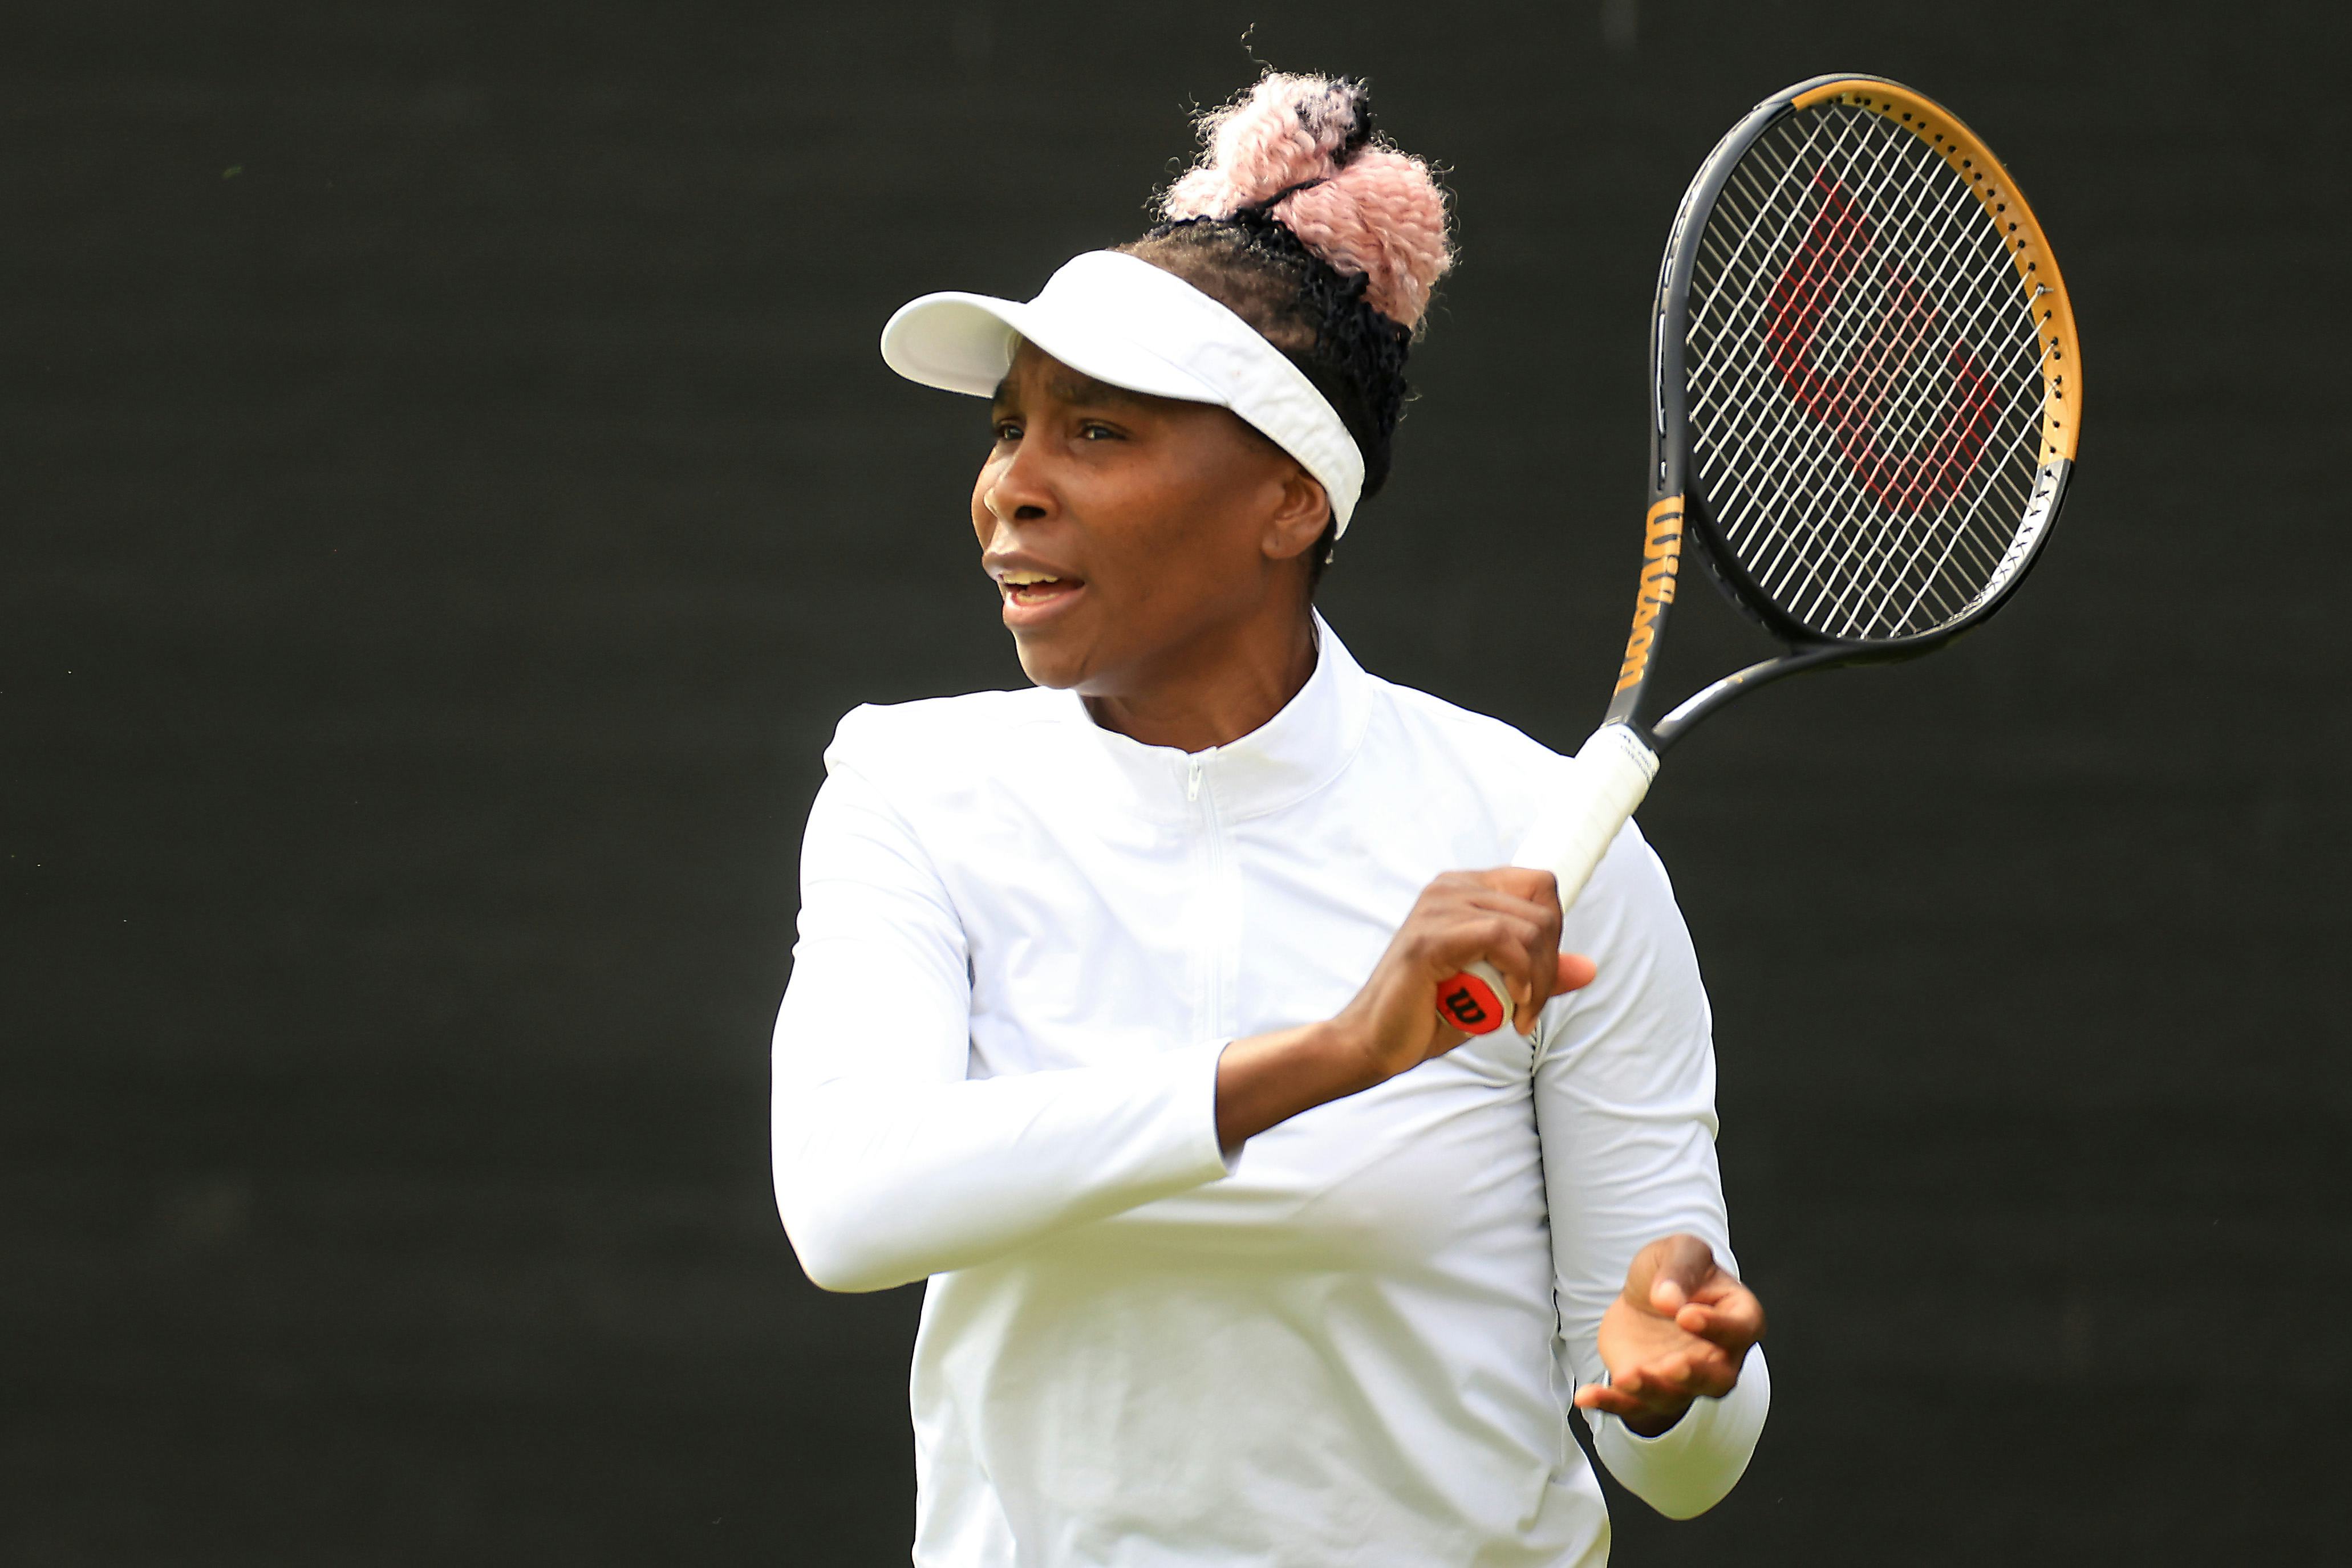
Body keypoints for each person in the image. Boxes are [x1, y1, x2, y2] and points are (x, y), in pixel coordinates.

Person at [772, 72, 1768, 1567]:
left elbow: (1687, 1470)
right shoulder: (913, 788)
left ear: (1290, 501)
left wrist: (1664, 1385)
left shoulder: (1545, 844)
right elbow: (851, 1208)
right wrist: (1333, 1056)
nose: (1009, 494)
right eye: (1005, 431)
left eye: (1094, 434)